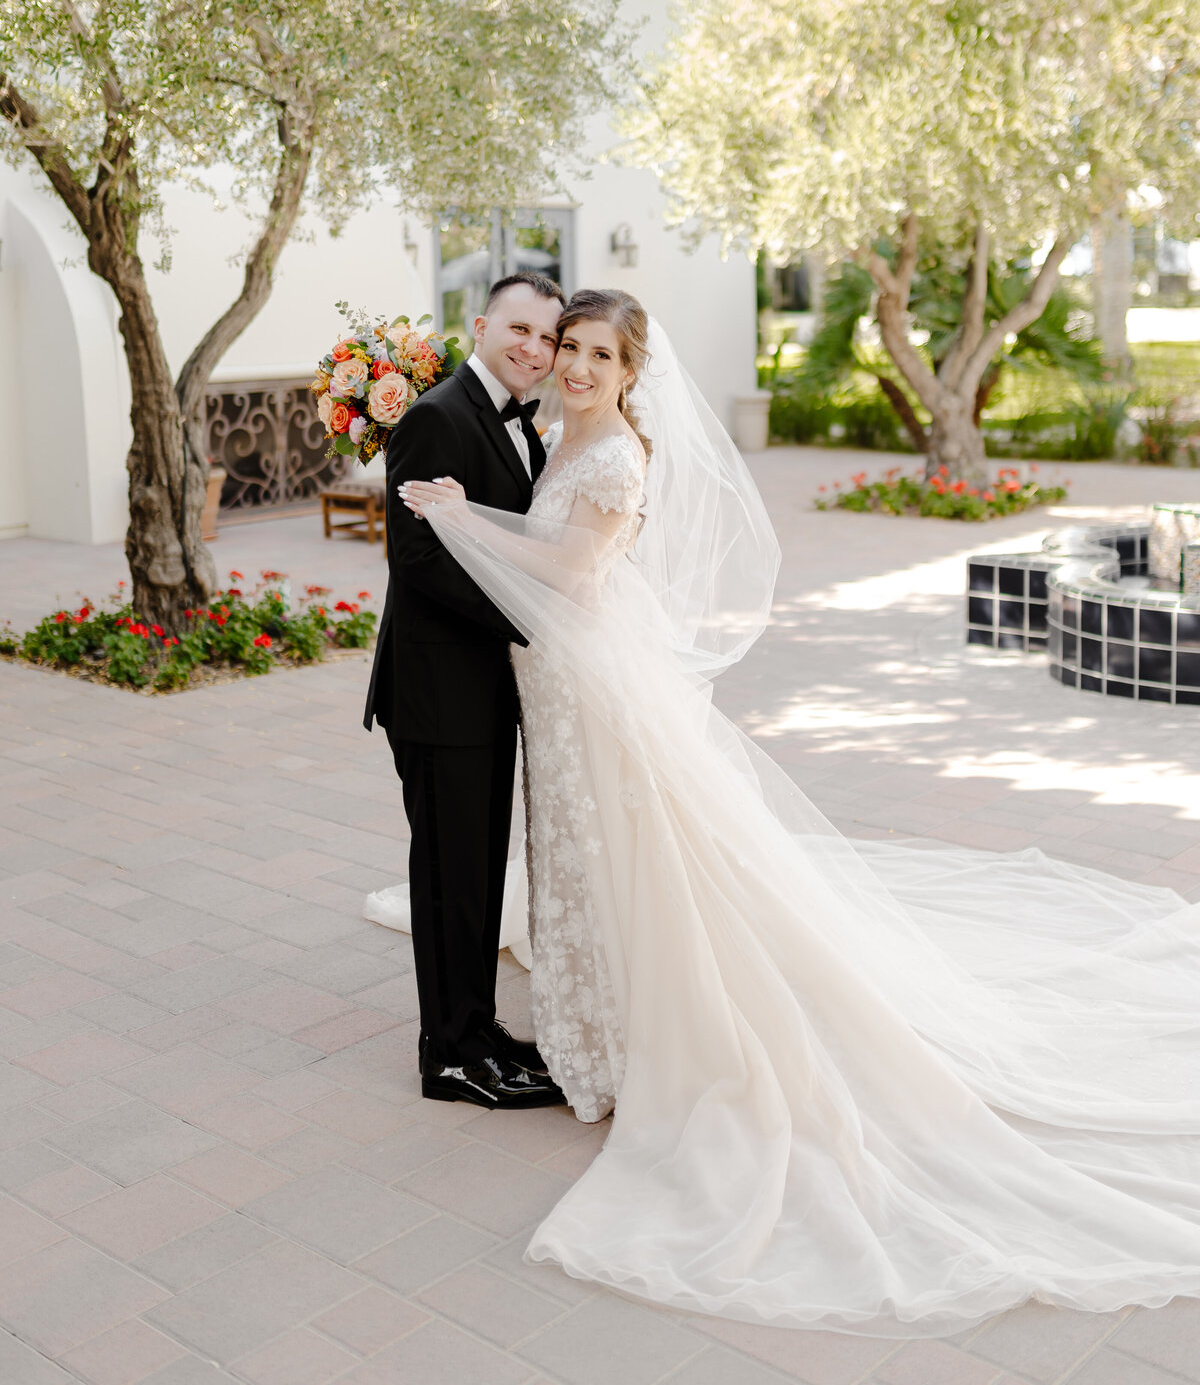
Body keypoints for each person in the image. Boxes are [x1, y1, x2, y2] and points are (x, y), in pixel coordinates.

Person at [395, 288, 1200, 1337]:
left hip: (590, 687)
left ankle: (646, 1032)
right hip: (556, 692)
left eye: (598, 353)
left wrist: (460, 519)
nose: (578, 365)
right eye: (569, 347)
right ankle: (595, 1022)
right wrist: (474, 512)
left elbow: (576, 571)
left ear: (636, 371)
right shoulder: (555, 432)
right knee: (590, 858)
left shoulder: (616, 457)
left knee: (637, 856)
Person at [363, 272, 566, 1110]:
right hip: (441, 694)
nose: (533, 348)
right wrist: (535, 617)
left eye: (547, 338)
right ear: (482, 325)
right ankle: (446, 1055)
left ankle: (477, 1028)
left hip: (487, 692)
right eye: (518, 329)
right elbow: (417, 560)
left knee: (479, 870)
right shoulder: (436, 416)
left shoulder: (521, 424)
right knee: (448, 873)